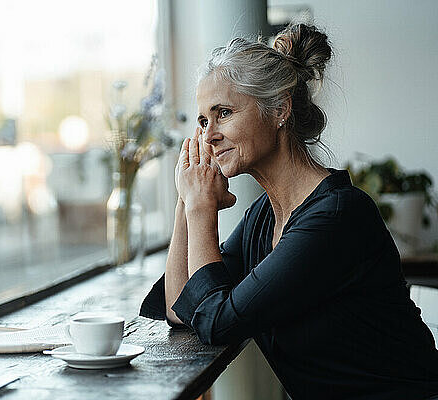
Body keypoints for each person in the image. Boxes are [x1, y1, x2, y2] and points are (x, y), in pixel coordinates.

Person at [139, 23, 438, 400]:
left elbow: (216, 321)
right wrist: (187, 197)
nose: (208, 135)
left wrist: (201, 207)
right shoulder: (263, 216)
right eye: (202, 121)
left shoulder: (338, 218)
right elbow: (180, 309)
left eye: (224, 113)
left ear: (280, 109)